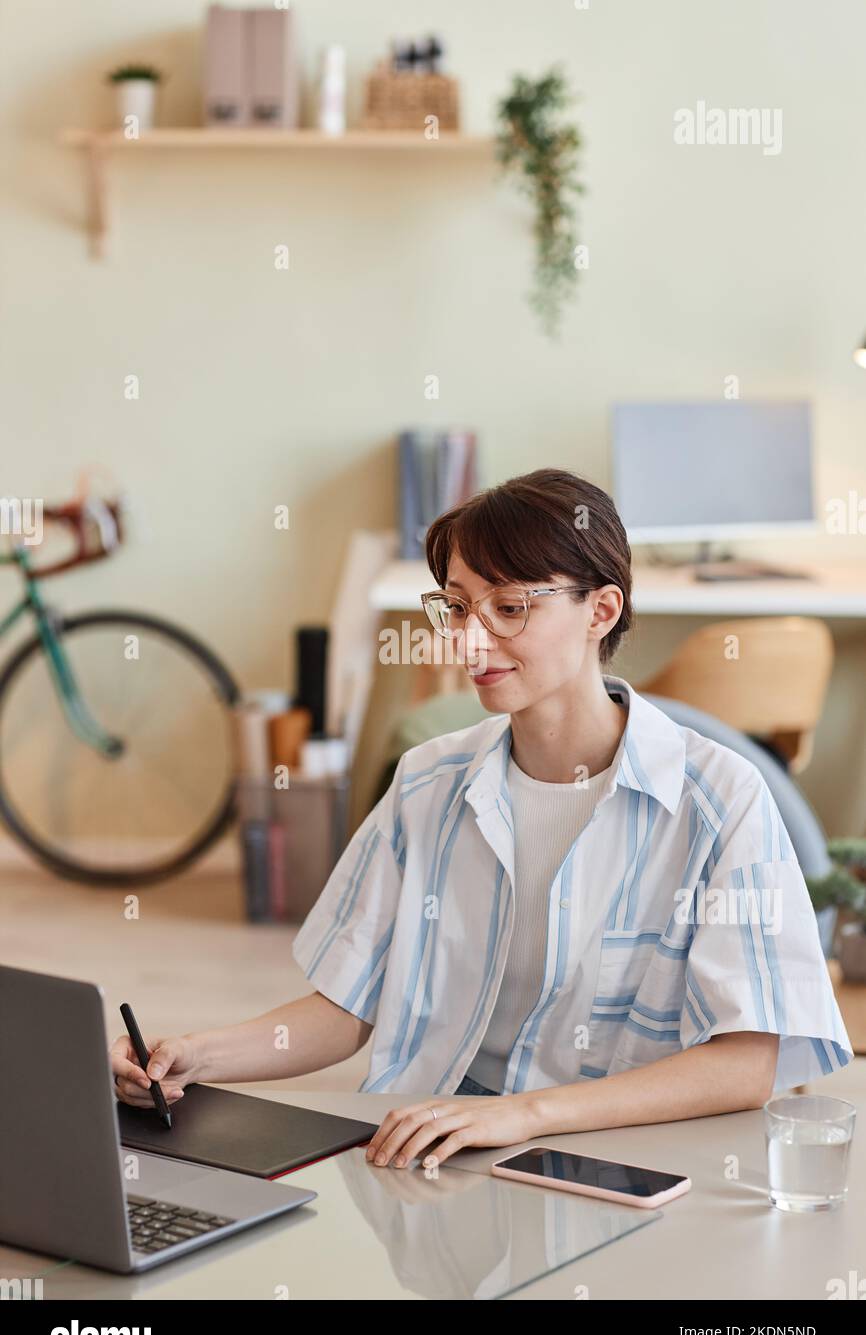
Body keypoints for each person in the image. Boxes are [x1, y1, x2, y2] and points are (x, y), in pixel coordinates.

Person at [111, 469, 852, 1172]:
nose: (469, 640)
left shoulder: (720, 800)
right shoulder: (427, 782)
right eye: (459, 607)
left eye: (509, 607)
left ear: (601, 610)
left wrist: (525, 1115)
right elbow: (347, 1008)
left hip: (616, 1163)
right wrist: (188, 1057)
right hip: (426, 1153)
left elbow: (746, 1065)